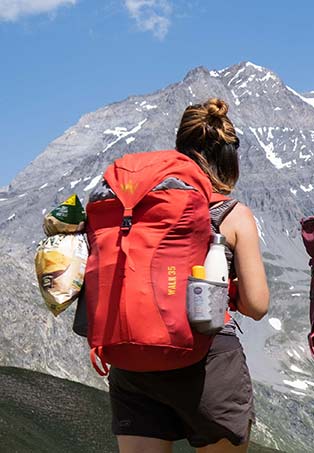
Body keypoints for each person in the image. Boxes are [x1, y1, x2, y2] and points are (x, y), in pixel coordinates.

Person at [105, 98, 271, 452]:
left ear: (180, 149)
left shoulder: (137, 206)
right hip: (207, 360)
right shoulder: (232, 214)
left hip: (134, 360)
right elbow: (257, 305)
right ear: (228, 159)